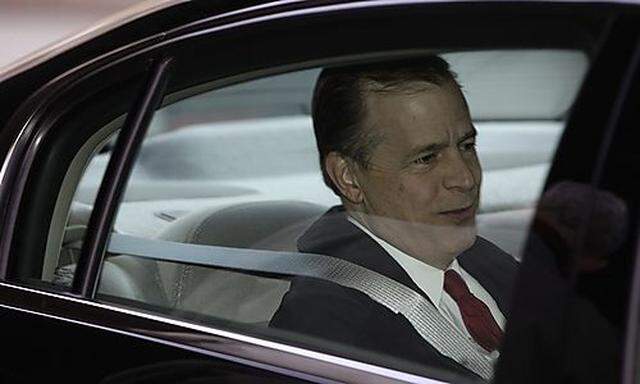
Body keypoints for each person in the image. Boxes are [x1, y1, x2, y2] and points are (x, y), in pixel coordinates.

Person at [269, 57, 518, 378]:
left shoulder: (487, 261)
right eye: (426, 158)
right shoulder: (324, 328)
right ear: (349, 178)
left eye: (467, 145)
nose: (465, 178)